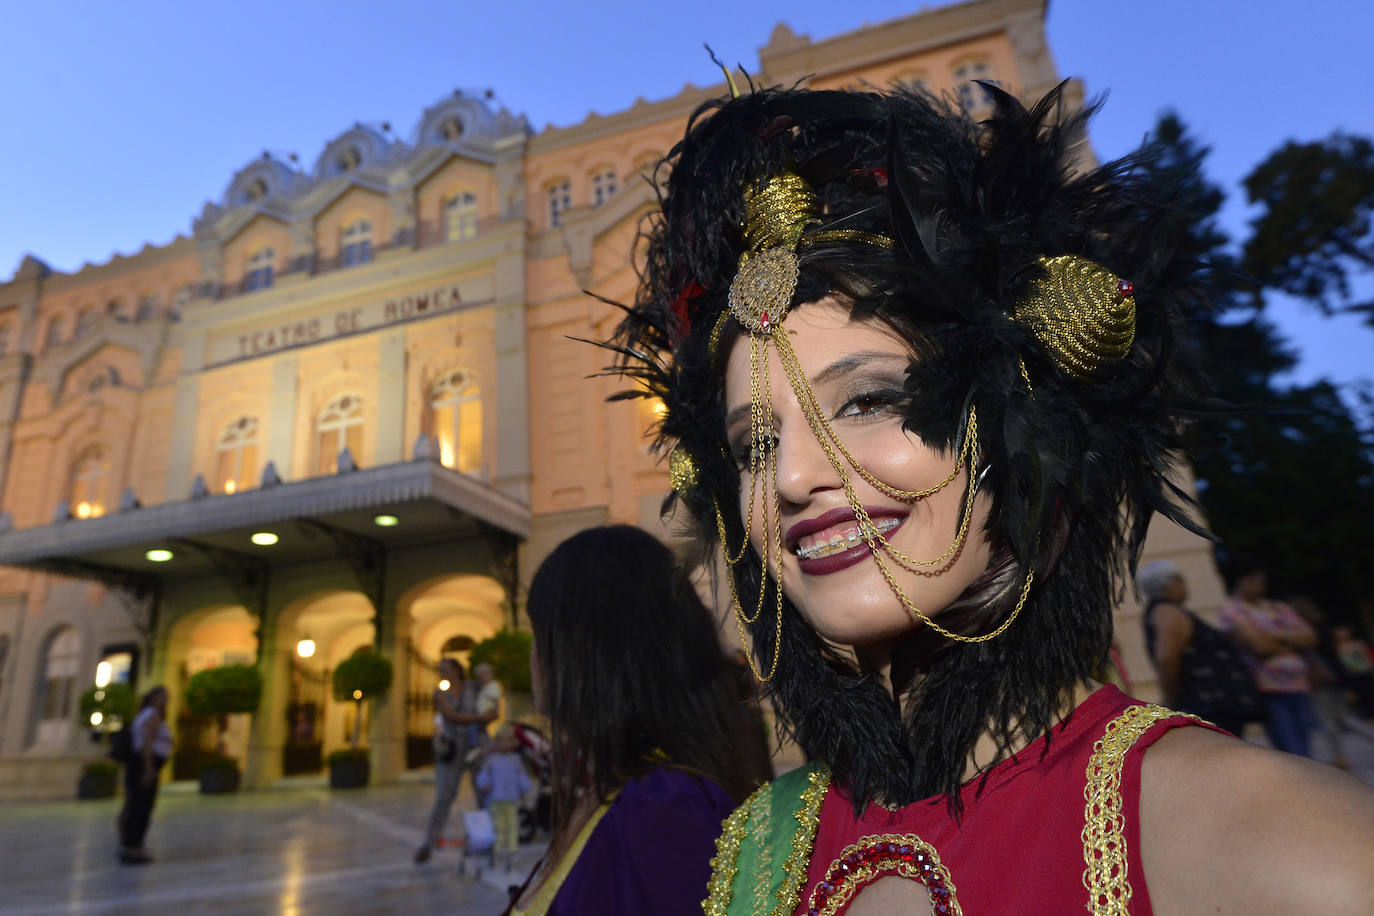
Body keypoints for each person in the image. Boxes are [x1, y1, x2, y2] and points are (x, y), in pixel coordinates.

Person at [608, 78, 1374, 913]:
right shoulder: (755, 849)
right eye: (755, 445)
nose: (794, 478)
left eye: (867, 400)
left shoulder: (1292, 851)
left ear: (1022, 420)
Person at [506, 525, 756, 915]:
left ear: (585, 651)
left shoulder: (663, 808)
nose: (533, 656)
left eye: (540, 633)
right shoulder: (625, 789)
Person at [1139, 560, 1262, 735]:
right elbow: (1166, 657)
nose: (1184, 586)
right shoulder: (1166, 611)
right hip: (1209, 704)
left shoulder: (1163, 611)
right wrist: (1169, 699)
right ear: (1168, 584)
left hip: (1213, 702)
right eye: (1179, 580)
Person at [1219, 558, 1319, 757]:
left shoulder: (1276, 607)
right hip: (1268, 689)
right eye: (1256, 581)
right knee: (1292, 750)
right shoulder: (1232, 611)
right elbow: (1259, 647)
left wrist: (1275, 636)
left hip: (1299, 686)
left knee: (1306, 746)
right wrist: (1291, 640)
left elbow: (1310, 636)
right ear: (1242, 581)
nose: (1261, 586)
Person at [415, 658, 491, 864]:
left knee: (484, 791)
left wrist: (490, 714)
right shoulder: (440, 693)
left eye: (445, 669)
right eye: (439, 670)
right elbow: (452, 716)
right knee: (444, 796)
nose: (441, 673)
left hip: (476, 746)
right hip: (451, 748)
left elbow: (492, 702)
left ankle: (489, 839)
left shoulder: (474, 688)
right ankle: (428, 843)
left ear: (457, 670)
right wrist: (479, 718)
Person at [118, 685, 171, 864]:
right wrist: (149, 768)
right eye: (164, 698)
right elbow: (147, 744)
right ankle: (135, 848)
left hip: (138, 764)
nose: (166, 702)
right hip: (144, 764)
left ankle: (129, 845)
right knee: (142, 807)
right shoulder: (153, 716)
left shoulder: (143, 715)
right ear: (155, 698)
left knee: (134, 805)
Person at [476, 723, 532, 872]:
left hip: (511, 799)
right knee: (498, 824)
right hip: (496, 799)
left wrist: (524, 792)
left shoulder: (516, 760)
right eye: (502, 740)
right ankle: (499, 848)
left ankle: (513, 848)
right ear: (497, 742)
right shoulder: (492, 760)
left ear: (513, 743)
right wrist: (484, 784)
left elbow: (522, 777)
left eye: (508, 740)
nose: (505, 744)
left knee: (513, 824)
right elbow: (484, 775)